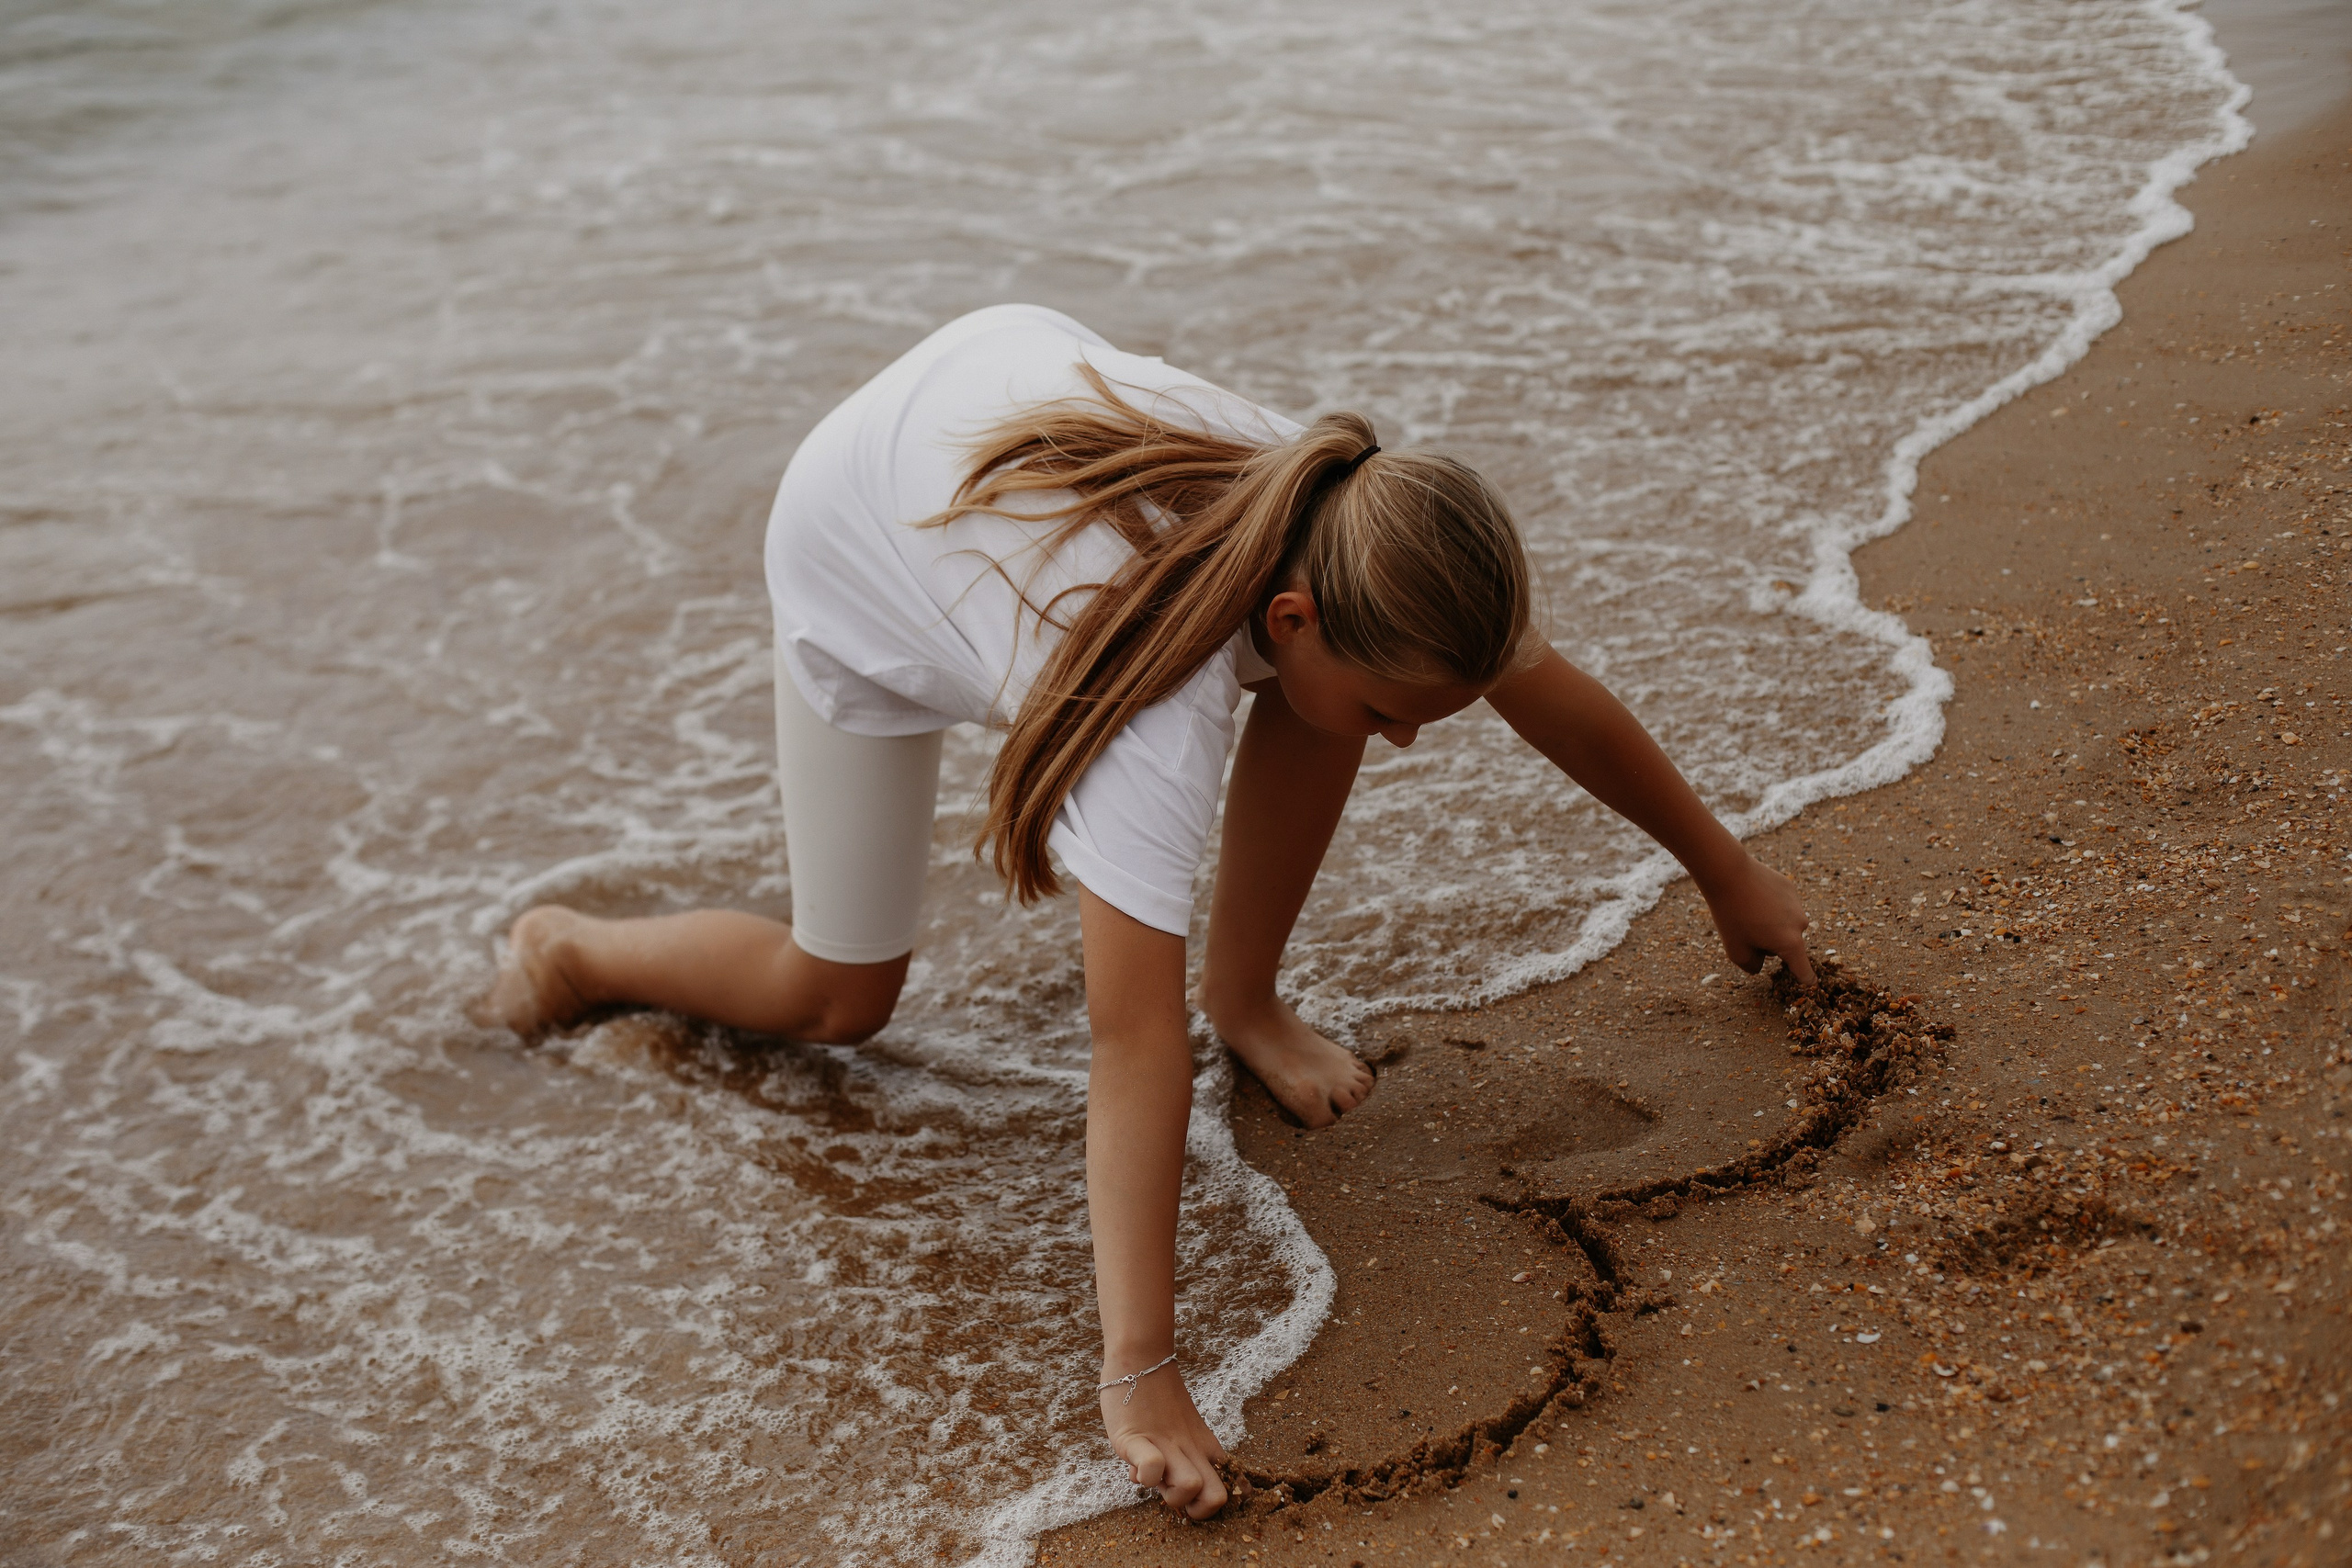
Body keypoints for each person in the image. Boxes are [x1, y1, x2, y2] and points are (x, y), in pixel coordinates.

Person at [482, 303, 1813, 1519]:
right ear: (1287, 609)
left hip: (987, 422)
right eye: (1401, 713)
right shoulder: (1141, 710)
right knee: (840, 994)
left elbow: (1538, 684)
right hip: (862, 530)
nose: (1411, 745)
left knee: (1323, 702)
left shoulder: (1357, 522)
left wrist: (1723, 869)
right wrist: (1141, 1368)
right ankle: (574, 950)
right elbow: (1125, 1043)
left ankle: (1253, 996)